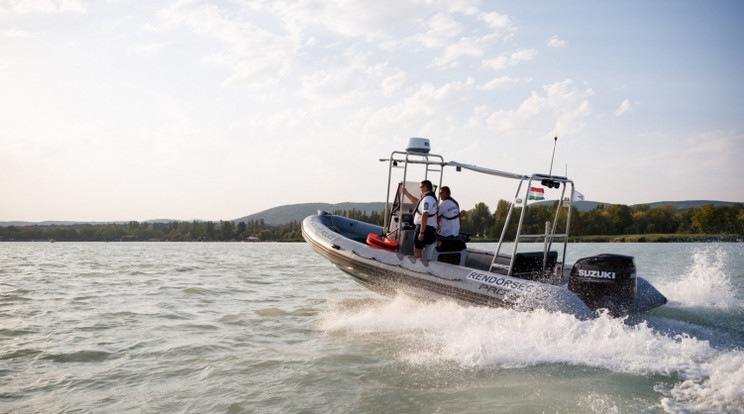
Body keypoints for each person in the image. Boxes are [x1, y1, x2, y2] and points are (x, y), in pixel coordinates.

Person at [402, 180, 438, 258]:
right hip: (429, 227)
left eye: (421, 187)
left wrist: (421, 232)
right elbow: (416, 202)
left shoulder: (427, 199)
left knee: (417, 249)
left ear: (425, 187)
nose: (420, 189)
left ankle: (417, 267)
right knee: (422, 250)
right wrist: (406, 193)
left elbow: (425, 214)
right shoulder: (430, 198)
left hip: (424, 227)